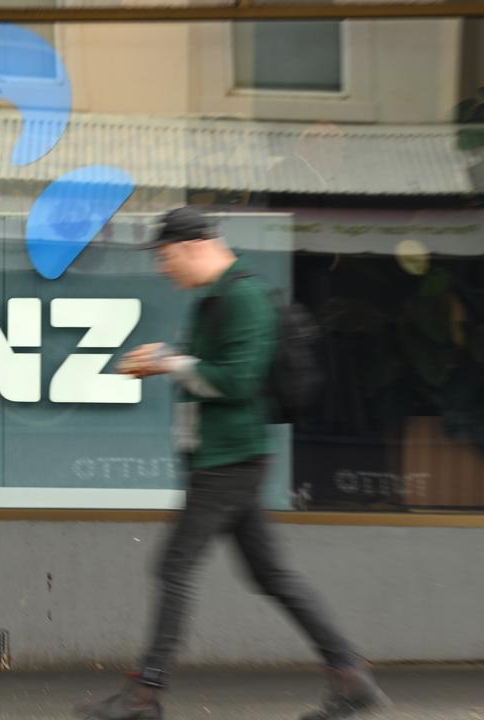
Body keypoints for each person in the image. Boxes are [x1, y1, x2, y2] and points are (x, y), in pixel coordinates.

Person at [74, 207, 389, 720]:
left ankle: (144, 694)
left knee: (174, 566)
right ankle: (351, 678)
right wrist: (168, 364)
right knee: (272, 575)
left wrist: (168, 362)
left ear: (193, 246)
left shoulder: (244, 297)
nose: (161, 267)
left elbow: (239, 380)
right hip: (223, 457)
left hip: (231, 461)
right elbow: (212, 370)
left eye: (165, 256)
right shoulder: (215, 300)